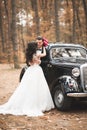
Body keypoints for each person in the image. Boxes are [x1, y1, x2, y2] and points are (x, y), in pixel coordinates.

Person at [0, 42, 54, 117]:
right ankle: (35, 104)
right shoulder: (35, 55)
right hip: (36, 70)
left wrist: (42, 49)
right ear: (33, 48)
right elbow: (39, 61)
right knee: (37, 87)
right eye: (36, 46)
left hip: (30, 70)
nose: (37, 47)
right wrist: (39, 58)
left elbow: (30, 63)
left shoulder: (28, 54)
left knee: (28, 87)